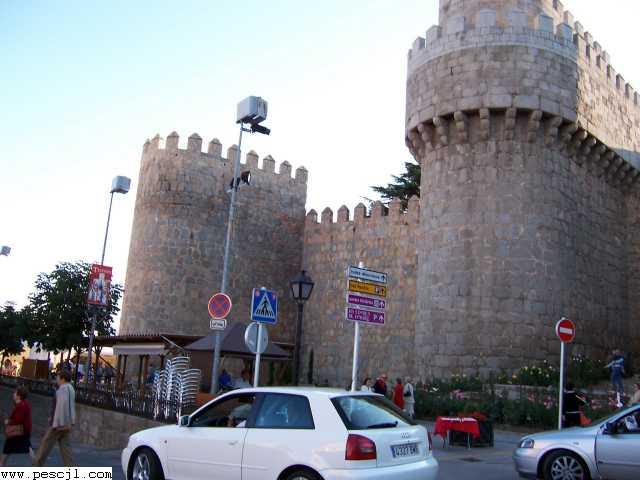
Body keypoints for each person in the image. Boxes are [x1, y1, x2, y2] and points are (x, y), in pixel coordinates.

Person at [33, 370, 76, 467]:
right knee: (66, 449)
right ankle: (70, 467)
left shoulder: (62, 390)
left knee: (45, 444)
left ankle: (36, 465)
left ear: (63, 379)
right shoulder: (71, 389)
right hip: (67, 423)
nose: (57, 379)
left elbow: (61, 406)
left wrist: (56, 422)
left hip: (58, 424)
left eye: (58, 377)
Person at [0, 387, 34, 466]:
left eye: (15, 393)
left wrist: (8, 421)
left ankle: (1, 464)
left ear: (19, 396)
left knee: (8, 448)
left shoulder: (21, 405)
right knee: (28, 447)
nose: (13, 394)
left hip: (19, 431)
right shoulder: (23, 404)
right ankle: (36, 464)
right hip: (24, 430)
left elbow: (18, 419)